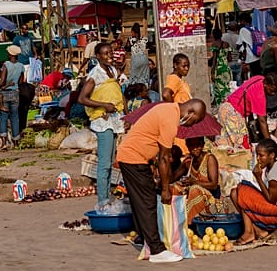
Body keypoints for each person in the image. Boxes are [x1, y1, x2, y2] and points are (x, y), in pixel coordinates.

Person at [116, 99, 207, 264]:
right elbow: (164, 158)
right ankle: (157, 250)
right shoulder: (170, 118)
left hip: (134, 157)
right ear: (191, 113)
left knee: (141, 200)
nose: (191, 125)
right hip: (133, 158)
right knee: (148, 201)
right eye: (195, 121)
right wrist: (166, 189)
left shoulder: (168, 110)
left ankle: (144, 238)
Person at [79, 42, 124, 203]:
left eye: (110, 52)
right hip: (102, 120)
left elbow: (117, 92)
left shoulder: (112, 71)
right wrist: (104, 105)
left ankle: (107, 196)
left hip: (114, 119)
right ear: (98, 56)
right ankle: (102, 200)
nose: (109, 56)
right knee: (104, 163)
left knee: (110, 161)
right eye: (105, 53)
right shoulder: (95, 75)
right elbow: (82, 98)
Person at [230, 138, 277, 244]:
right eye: (257, 155)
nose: (258, 159)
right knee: (235, 193)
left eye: (261, 156)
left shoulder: (275, 173)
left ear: (272, 155)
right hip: (276, 208)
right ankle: (258, 230)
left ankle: (249, 232)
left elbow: (271, 200)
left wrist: (259, 178)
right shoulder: (270, 168)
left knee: (243, 190)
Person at [216, 72, 277, 149]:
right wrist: (269, 144)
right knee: (241, 146)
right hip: (232, 114)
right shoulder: (259, 95)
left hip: (226, 107)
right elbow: (262, 121)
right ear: (265, 84)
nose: (273, 94)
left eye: (275, 91)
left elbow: (248, 98)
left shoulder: (259, 78)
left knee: (229, 142)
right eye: (271, 90)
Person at [172, 137, 230, 224]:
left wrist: (193, 182)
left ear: (202, 145)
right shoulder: (188, 161)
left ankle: (187, 223)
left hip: (211, 199)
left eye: (197, 145)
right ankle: (173, 220)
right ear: (187, 146)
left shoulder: (209, 159)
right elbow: (172, 178)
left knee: (195, 189)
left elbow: (214, 185)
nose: (195, 148)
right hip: (193, 194)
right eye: (191, 145)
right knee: (174, 187)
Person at [0, 45, 25, 151]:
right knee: (15, 118)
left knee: (3, 118)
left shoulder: (6, 65)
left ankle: (4, 143)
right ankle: (16, 143)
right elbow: (21, 82)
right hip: (15, 94)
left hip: (5, 94)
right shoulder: (21, 66)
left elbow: (2, 81)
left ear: (10, 54)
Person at [209, 28, 233, 106]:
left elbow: (214, 60)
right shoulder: (226, 44)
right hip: (226, 68)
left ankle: (222, 107)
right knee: (226, 87)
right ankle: (229, 104)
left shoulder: (214, 44)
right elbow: (230, 58)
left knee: (218, 89)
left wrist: (212, 72)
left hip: (218, 69)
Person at [126, 23, 149, 87]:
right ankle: (145, 89)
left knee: (134, 78)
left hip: (136, 59)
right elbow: (149, 46)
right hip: (144, 59)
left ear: (133, 31)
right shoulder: (144, 39)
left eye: (131, 32)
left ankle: (135, 91)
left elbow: (127, 48)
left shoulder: (130, 39)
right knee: (144, 77)